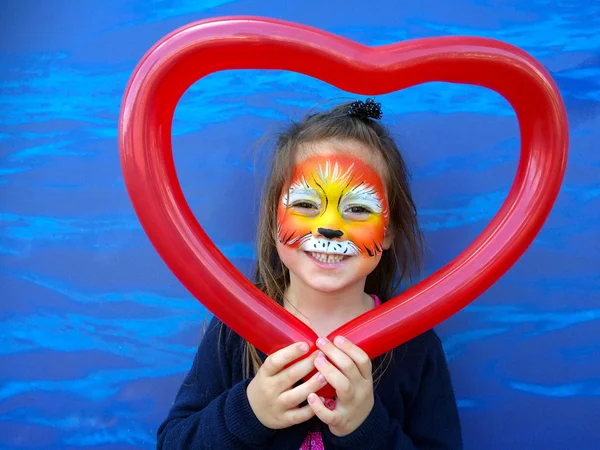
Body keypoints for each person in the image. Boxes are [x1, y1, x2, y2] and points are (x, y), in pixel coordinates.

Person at [156, 99, 463, 449]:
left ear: (389, 231)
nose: (329, 228)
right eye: (305, 205)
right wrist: (249, 411)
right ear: (275, 221)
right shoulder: (235, 328)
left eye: (358, 209)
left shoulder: (415, 347)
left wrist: (367, 428)